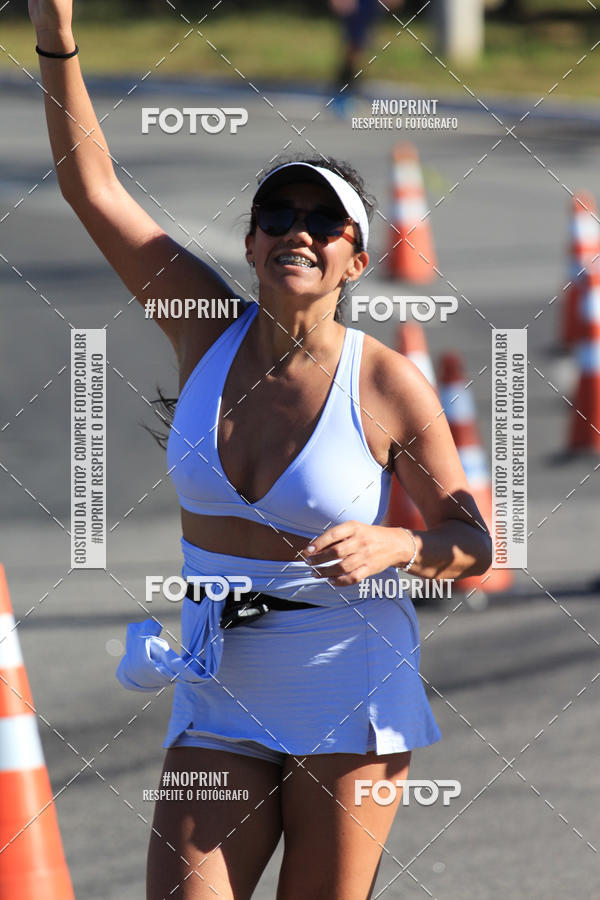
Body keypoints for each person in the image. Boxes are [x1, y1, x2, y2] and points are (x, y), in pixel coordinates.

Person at [29, 2, 492, 897]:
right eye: (277, 214)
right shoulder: (203, 328)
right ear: (249, 244)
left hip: (346, 691)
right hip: (219, 689)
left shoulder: (387, 383)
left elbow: (472, 544)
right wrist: (58, 34)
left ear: (357, 260)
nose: (298, 231)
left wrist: (401, 544)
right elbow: (93, 190)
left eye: (325, 222)